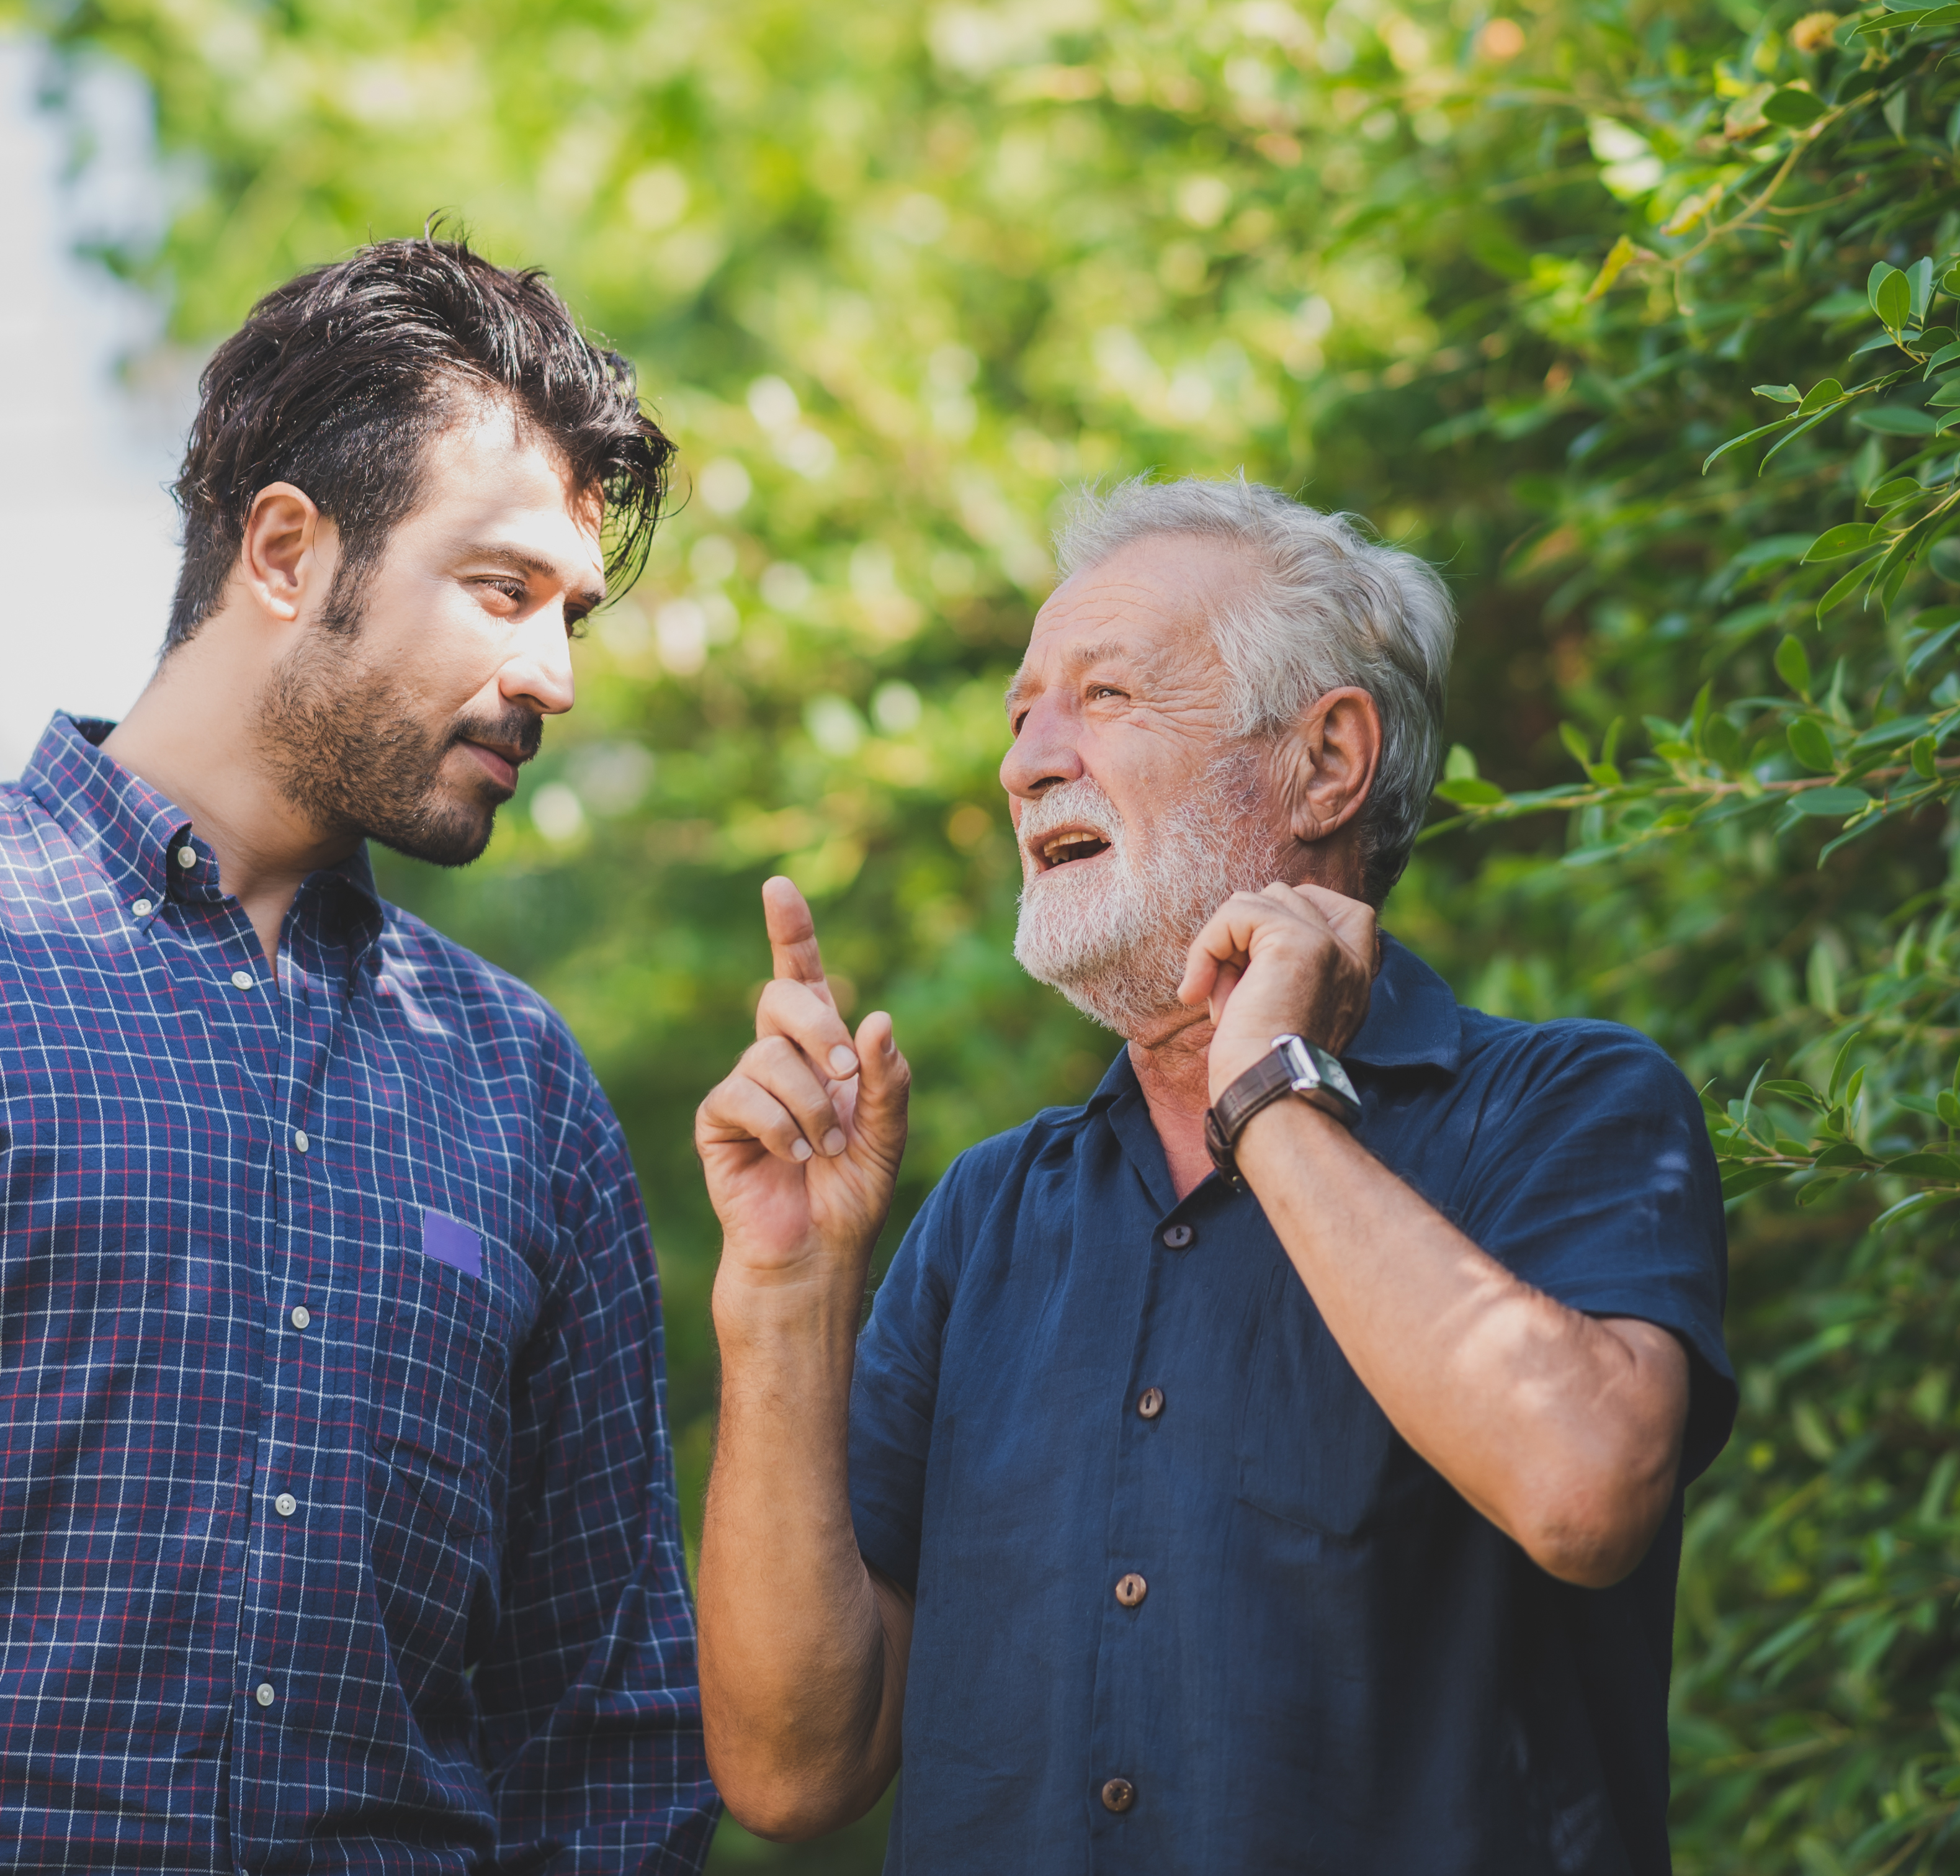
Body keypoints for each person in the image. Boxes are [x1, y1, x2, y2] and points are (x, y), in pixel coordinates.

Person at [0, 236, 717, 1874]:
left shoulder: (527, 1093)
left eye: (573, 614)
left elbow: (606, 1736)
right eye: (505, 590)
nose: (555, 677)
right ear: (291, 552)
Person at [691, 478, 1734, 1874]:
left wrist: (1267, 1097)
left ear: (1327, 764)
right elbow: (789, 1769)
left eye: (1105, 697)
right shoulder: (985, 1221)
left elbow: (1585, 1492)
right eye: (1019, 717)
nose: (1025, 764)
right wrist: (783, 1290)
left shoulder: (1572, 1107)